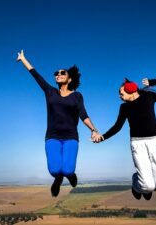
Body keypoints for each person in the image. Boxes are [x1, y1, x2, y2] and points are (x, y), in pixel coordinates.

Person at [16, 50, 100, 197]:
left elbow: (83, 115)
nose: (58, 74)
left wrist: (94, 130)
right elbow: (35, 74)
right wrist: (23, 59)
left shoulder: (77, 96)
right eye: (56, 73)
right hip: (52, 136)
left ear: (69, 79)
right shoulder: (50, 91)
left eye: (63, 73)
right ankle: (58, 179)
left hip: (70, 137)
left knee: (68, 169)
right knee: (55, 170)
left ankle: (70, 176)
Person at [95, 77, 156, 200]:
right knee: (147, 186)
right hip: (138, 144)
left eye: (121, 93)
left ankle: (141, 180)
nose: (119, 96)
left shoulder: (149, 97)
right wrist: (102, 137)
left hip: (155, 142)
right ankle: (137, 185)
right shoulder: (124, 107)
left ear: (130, 90)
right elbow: (117, 127)